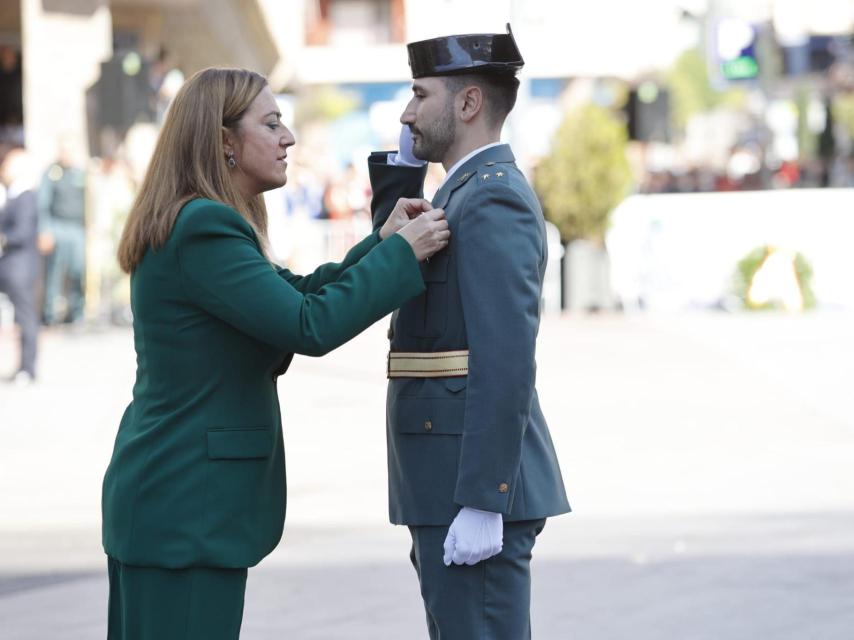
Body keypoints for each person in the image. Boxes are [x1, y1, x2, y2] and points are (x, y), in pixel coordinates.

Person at [101, 67, 449, 639]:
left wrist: (383, 243)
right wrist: (403, 258)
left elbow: (296, 294)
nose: (288, 137)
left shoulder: (199, 221)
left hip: (172, 502)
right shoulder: (203, 227)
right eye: (271, 122)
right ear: (222, 142)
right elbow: (309, 324)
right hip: (185, 509)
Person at [367, 25, 570, 639]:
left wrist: (486, 496)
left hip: (469, 486)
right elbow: (396, 259)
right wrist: (403, 171)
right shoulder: (460, 194)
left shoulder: (491, 200)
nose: (406, 113)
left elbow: (506, 357)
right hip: (443, 477)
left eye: (419, 95)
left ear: (468, 104)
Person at [0, 147, 40, 384]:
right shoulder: (12, 195)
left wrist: (3, 239)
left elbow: (23, 232)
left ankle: (28, 367)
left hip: (19, 266)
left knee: (26, 318)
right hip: (9, 265)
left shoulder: (25, 196)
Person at [37, 137, 87, 325]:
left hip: (77, 228)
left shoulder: (80, 173)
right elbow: (43, 204)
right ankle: (51, 313)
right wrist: (44, 230)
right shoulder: (51, 173)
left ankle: (77, 311)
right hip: (57, 225)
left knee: (78, 270)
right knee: (55, 270)